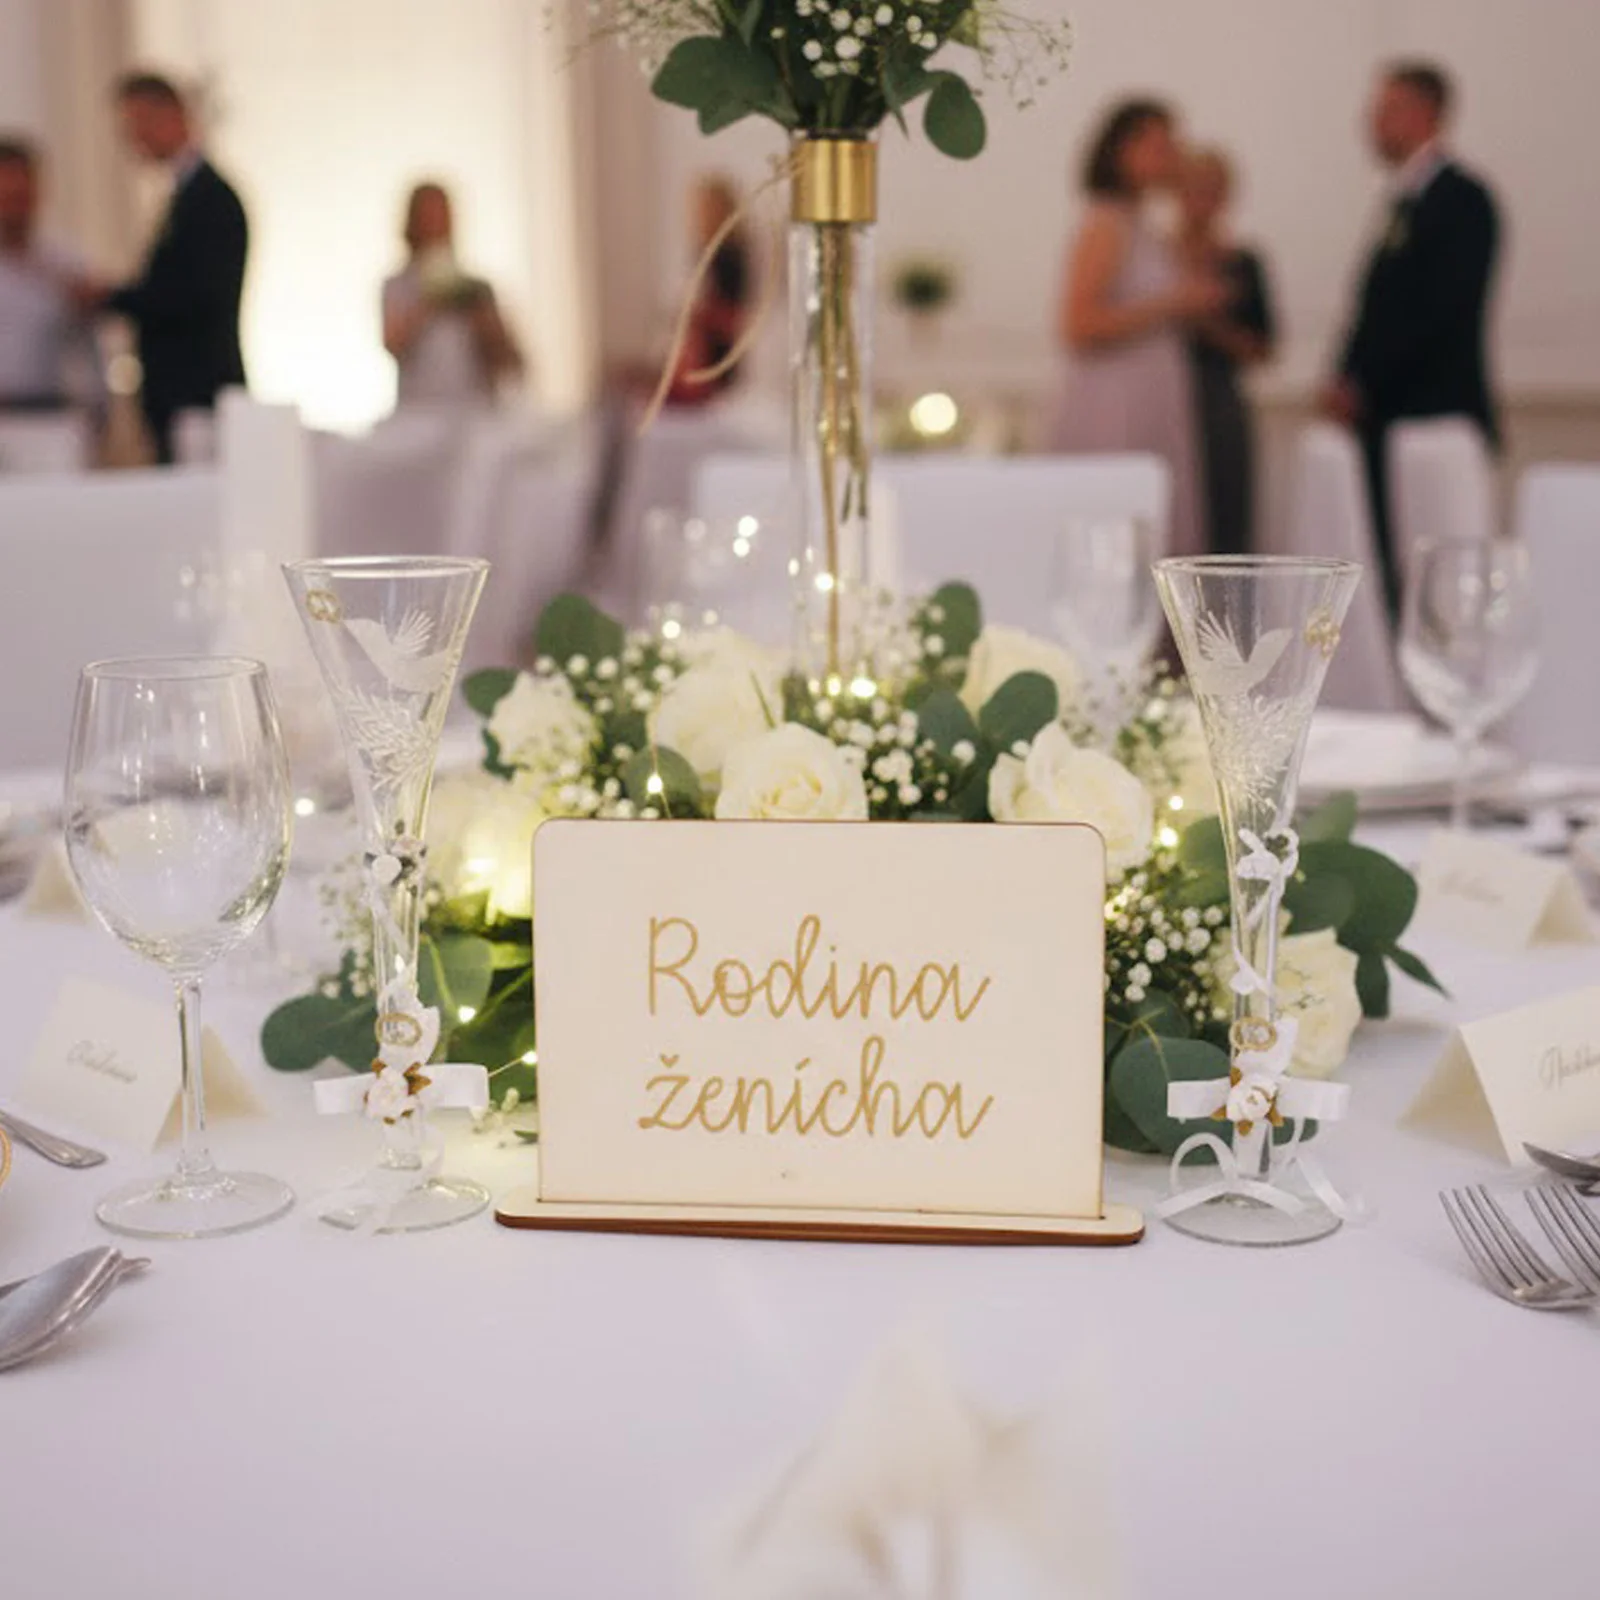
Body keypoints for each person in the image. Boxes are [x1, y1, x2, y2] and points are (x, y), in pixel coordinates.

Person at [1322, 62, 1502, 619]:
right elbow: (1372, 307)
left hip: (1433, 414)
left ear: (1427, 113)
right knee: (1392, 572)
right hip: (1388, 418)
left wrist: (1363, 381)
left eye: (1387, 110)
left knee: (1440, 581)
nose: (1372, 123)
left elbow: (1438, 311)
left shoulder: (1463, 200)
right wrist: (1344, 375)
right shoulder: (1401, 201)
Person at [1052, 99, 1225, 557]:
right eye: (1161, 146)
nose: (1173, 156)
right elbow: (1077, 324)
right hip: (1117, 409)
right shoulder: (1106, 223)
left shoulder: (1142, 223)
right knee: (1115, 534)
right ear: (1121, 151)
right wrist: (1173, 303)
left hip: (1150, 398)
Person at [81, 72, 249, 463]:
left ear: (171, 115)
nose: (133, 139)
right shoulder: (187, 196)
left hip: (198, 393)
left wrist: (113, 297)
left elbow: (195, 295)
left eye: (137, 124)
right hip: (178, 395)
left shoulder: (210, 199)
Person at [1177, 148, 1277, 554]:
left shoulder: (1243, 263)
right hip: (1163, 400)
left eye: (1211, 190)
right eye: (1192, 188)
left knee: (1226, 520)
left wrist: (1205, 324)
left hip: (1219, 403)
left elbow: (1263, 349)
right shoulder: (1157, 260)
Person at [382, 181, 523, 409]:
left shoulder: (476, 288)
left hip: (475, 409)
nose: (434, 225)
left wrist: (481, 317)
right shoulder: (397, 286)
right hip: (419, 410)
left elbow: (509, 360)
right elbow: (392, 345)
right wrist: (428, 302)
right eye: (427, 217)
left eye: (440, 216)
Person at [0, 136, 99, 411]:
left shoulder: (67, 263)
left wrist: (97, 407)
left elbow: (88, 347)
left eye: (21, 197)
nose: (13, 208)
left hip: (52, 412)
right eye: (6, 197)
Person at [665, 175, 753, 407]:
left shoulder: (729, 257)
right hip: (700, 355)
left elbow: (734, 318)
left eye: (705, 208)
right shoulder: (704, 252)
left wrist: (696, 315)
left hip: (715, 362)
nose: (699, 216)